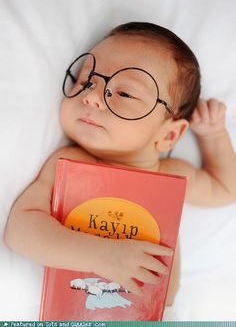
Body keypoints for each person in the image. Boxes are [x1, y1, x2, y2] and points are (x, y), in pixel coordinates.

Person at [4, 22, 236, 307]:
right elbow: (20, 229)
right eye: (85, 81)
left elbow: (226, 188)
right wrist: (98, 255)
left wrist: (213, 136)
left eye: (125, 94)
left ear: (169, 135)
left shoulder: (171, 177)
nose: (91, 97)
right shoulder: (70, 164)